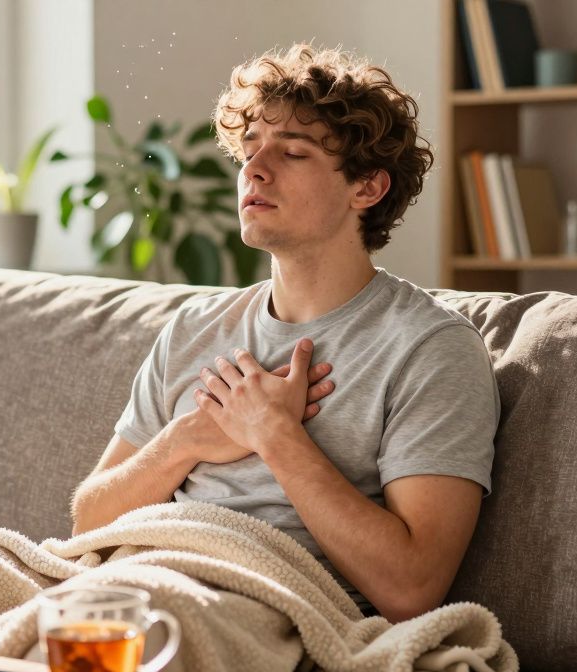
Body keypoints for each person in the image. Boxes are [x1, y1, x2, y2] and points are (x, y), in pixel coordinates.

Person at [68, 44, 500, 624]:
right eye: (249, 151)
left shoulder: (430, 348)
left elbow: (411, 586)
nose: (254, 168)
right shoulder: (193, 330)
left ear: (366, 189)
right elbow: (86, 523)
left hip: (260, 605)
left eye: (292, 153)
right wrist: (189, 440)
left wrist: (274, 434)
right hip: (136, 574)